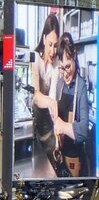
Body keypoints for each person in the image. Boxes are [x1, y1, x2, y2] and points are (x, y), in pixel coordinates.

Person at [52, 32, 94, 179]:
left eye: (68, 67)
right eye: (62, 68)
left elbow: (83, 132)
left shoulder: (81, 86)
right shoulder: (59, 84)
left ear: (75, 55)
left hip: (75, 160)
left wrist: (62, 126)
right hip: (60, 155)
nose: (65, 73)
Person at [30, 12, 62, 176]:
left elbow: (53, 95)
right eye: (50, 44)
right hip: (35, 127)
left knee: (50, 172)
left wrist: (57, 125)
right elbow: (35, 96)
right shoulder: (34, 59)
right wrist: (50, 102)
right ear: (43, 39)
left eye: (56, 45)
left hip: (49, 130)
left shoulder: (56, 66)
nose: (53, 50)